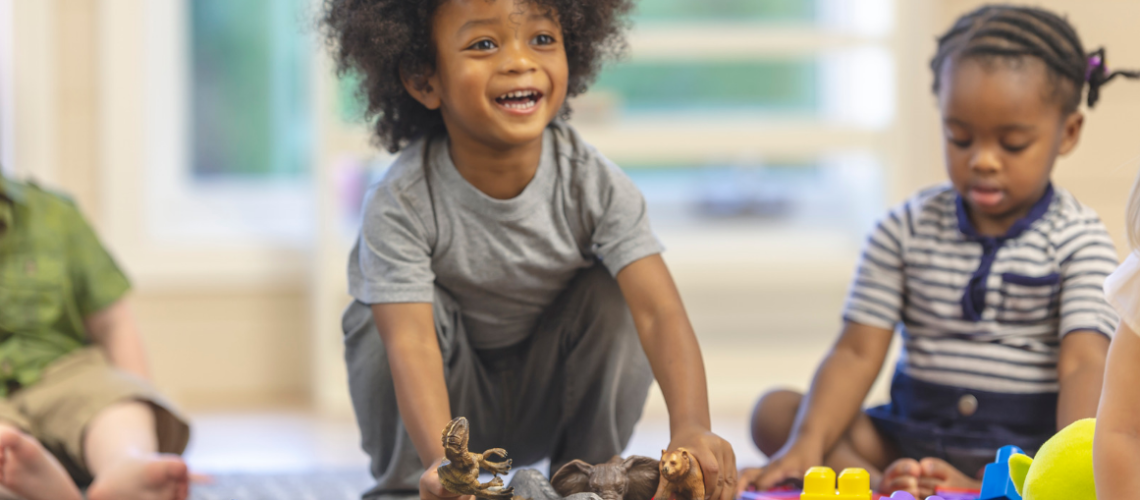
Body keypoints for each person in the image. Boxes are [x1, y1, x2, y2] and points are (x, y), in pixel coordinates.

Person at [320, 1, 736, 500]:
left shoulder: (594, 183)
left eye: (542, 39)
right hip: (447, 408)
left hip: (552, 394)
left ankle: (587, 480)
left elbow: (659, 312)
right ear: (423, 79)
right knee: (373, 318)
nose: (520, 61)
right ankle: (417, 487)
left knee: (617, 293)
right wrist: (444, 463)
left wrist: (692, 425)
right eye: (484, 44)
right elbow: (410, 343)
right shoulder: (400, 203)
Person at [739, 5, 1138, 497]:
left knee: (1080, 445)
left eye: (1012, 143)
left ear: (1068, 133)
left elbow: (1083, 365)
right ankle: (884, 474)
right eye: (960, 137)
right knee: (777, 413)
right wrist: (806, 441)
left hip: (1020, 445)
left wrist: (1056, 462)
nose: (983, 160)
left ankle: (984, 483)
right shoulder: (903, 227)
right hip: (906, 432)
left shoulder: (1079, 238)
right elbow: (857, 351)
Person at [0, 173, 191, 500]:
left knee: (119, 406)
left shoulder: (54, 213)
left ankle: (127, 466)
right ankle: (33, 481)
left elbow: (113, 323)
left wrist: (137, 392)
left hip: (63, 373)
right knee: (6, 446)